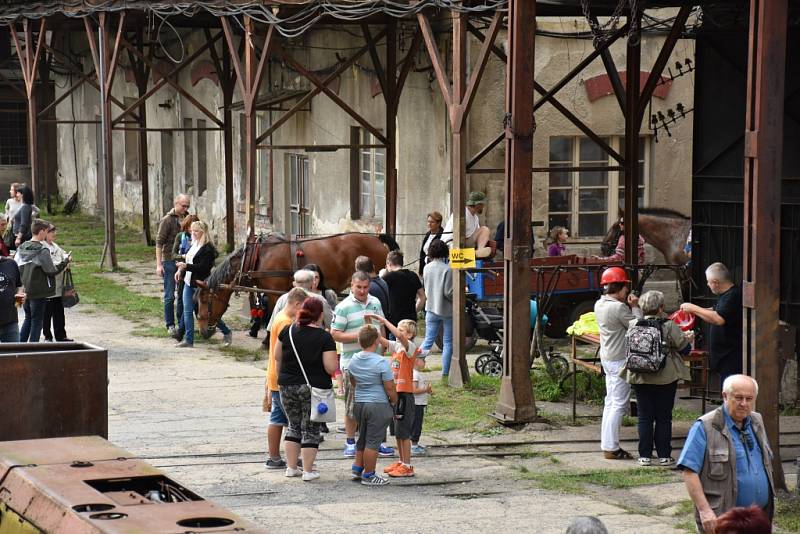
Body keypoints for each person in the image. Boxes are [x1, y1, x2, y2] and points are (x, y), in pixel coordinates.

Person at [677, 375, 774, 534]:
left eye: (749, 398)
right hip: (724, 521)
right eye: (738, 398)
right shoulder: (706, 426)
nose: (744, 403)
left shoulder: (757, 420)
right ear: (724, 396)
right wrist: (704, 510)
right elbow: (689, 471)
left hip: (758, 519)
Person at [623, 290, 692, 467]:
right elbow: (684, 349)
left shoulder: (633, 324)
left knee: (644, 417)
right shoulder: (668, 325)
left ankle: (644, 455)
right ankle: (664, 455)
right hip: (665, 377)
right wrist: (687, 339)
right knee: (663, 417)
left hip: (640, 375)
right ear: (661, 308)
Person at [274, 297, 338, 482]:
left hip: (287, 385)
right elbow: (330, 367)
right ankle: (308, 470)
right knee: (310, 429)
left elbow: (277, 355)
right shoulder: (324, 337)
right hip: (313, 388)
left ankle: (291, 467)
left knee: (293, 426)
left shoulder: (288, 331)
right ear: (319, 315)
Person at [330, 271, 387, 458]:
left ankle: (376, 442)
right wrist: (361, 335)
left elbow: (382, 326)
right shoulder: (343, 307)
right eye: (358, 287)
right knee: (352, 405)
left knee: (378, 405)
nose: (362, 291)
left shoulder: (376, 302)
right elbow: (335, 333)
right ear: (351, 286)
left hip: (376, 361)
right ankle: (350, 442)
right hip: (353, 364)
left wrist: (384, 348)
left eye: (365, 287)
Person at [594, 266, 642, 460]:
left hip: (608, 357)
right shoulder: (618, 308)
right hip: (620, 359)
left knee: (610, 402)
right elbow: (639, 326)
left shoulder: (600, 304)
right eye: (625, 288)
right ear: (618, 287)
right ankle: (611, 447)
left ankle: (608, 444)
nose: (627, 291)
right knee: (618, 404)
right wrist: (636, 306)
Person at [365, 314, 420, 477]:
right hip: (395, 393)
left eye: (402, 330)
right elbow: (380, 339)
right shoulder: (397, 348)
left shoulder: (409, 347)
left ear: (409, 334)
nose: (398, 332)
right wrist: (370, 324)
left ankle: (408, 465)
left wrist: (384, 321)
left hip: (405, 394)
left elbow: (399, 336)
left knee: (404, 432)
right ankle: (402, 461)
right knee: (397, 431)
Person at [347, 325, 397, 486]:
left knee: (362, 437)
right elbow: (389, 387)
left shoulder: (354, 359)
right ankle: (369, 475)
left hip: (360, 403)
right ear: (376, 340)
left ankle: (357, 468)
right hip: (378, 404)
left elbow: (353, 381)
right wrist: (395, 401)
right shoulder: (381, 362)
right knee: (373, 441)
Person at [264, 287, 307, 469]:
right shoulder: (285, 322)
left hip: (275, 376)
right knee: (292, 421)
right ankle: (292, 458)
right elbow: (283, 354)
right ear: (296, 304)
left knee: (277, 418)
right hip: (283, 378)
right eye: (303, 307)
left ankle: (274, 458)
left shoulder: (280, 317)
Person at [680, 262, 743, 386]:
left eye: (708, 282)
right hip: (724, 356)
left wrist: (693, 308)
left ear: (715, 282)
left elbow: (718, 318)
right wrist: (694, 311)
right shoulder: (726, 296)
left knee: (730, 392)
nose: (708, 285)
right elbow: (715, 310)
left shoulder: (733, 296)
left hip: (730, 356)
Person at [174, 221, 232, 348]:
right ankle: (189, 340)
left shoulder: (208, 249)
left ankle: (226, 331)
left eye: (196, 231)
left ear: (202, 232)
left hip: (200, 284)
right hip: (188, 282)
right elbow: (187, 259)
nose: (193, 233)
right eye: (192, 231)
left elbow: (203, 268)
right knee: (187, 310)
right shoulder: (193, 244)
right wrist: (180, 270)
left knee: (204, 312)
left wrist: (186, 266)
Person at [15, 219, 70, 342]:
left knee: (28, 318)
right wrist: (65, 262)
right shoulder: (42, 250)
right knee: (37, 322)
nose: (47, 234)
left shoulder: (22, 247)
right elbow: (51, 270)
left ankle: (19, 346)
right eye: (46, 231)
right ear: (41, 231)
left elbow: (16, 268)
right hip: (39, 291)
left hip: (24, 290)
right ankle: (33, 349)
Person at [156, 194, 190, 337]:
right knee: (170, 295)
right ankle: (170, 324)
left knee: (184, 295)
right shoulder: (167, 220)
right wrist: (159, 264)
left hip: (184, 261)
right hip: (169, 260)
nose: (186, 208)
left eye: (187, 205)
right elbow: (159, 243)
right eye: (183, 205)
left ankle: (182, 324)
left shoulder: (189, 218)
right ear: (176, 204)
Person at [418, 239, 454, 377]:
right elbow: (448, 292)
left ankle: (414, 362)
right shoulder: (448, 269)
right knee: (447, 342)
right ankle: (445, 373)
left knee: (428, 340)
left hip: (431, 308)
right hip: (446, 310)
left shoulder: (427, 268)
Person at [266, 270, 333, 333]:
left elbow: (272, 325)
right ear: (312, 283)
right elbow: (330, 323)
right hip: (313, 341)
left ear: (294, 284)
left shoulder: (283, 298)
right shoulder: (320, 299)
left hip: (286, 339)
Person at [42, 225, 72, 342]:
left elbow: (63, 254)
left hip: (58, 287)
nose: (54, 234)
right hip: (48, 287)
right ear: (45, 233)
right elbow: (52, 265)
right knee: (47, 313)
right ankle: (47, 336)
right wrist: (64, 261)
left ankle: (61, 335)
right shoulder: (43, 247)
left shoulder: (55, 246)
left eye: (55, 231)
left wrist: (67, 257)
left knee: (59, 313)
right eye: (51, 232)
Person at [381, 250, 425, 330]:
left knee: (394, 342)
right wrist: (414, 311)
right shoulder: (413, 276)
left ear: (389, 264)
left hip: (394, 323)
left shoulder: (388, 277)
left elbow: (379, 290)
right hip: (410, 321)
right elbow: (422, 297)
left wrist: (382, 275)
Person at [172, 214, 198, 341]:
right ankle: (181, 329)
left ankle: (184, 331)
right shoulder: (180, 237)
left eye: (194, 227)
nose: (191, 230)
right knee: (182, 304)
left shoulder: (200, 240)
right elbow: (173, 254)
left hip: (196, 275)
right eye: (190, 227)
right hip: (183, 273)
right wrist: (184, 257)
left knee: (194, 304)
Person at [443, 191, 492, 258]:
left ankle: (478, 252)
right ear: (478, 205)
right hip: (451, 244)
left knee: (484, 230)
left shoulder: (475, 217)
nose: (483, 207)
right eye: (483, 204)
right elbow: (457, 234)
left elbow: (478, 236)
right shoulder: (462, 214)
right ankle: (475, 254)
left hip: (464, 242)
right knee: (484, 229)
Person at [410, 352, 432, 455]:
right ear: (416, 361)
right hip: (416, 404)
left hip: (419, 404)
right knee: (416, 425)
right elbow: (413, 390)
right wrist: (425, 389)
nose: (425, 362)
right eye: (423, 360)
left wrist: (427, 390)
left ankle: (415, 443)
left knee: (417, 424)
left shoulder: (417, 373)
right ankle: (413, 446)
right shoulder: (414, 374)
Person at [0, 253, 23, 342]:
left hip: (11, 322)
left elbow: (19, 286)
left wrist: (19, 301)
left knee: (15, 354)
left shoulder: (11, 263)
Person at [419, 211, 444, 276]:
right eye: (428, 221)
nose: (429, 224)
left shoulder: (442, 235)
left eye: (432, 222)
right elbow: (422, 253)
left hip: (437, 268)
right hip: (426, 266)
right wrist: (421, 270)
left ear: (438, 223)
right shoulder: (428, 234)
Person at [12, 185, 35, 250]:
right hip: (21, 236)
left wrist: (18, 238)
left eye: (18, 193)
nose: (16, 195)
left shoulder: (25, 207)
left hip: (22, 237)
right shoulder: (25, 206)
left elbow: (24, 224)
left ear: (22, 194)